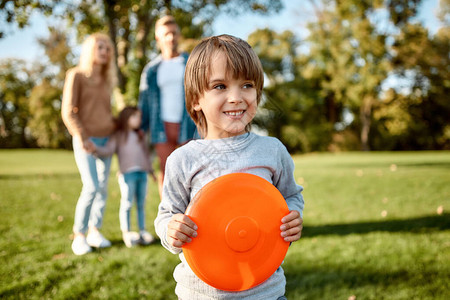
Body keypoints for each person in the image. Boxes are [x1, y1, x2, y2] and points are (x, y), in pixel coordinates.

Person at [154, 34, 305, 299]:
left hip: (265, 292)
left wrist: (292, 216)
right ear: (195, 101)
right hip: (200, 293)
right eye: (220, 86)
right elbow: (167, 214)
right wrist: (171, 230)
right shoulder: (183, 159)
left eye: (246, 85)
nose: (236, 97)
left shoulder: (271, 151)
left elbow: (291, 194)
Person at [62, 33, 117, 255]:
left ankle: (95, 230)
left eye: (107, 49)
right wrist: (83, 137)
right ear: (90, 50)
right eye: (100, 47)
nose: (105, 52)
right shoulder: (76, 76)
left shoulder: (107, 81)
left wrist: (114, 134)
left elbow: (106, 113)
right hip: (86, 140)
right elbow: (68, 111)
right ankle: (80, 235)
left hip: (106, 141)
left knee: (103, 189)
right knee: (91, 186)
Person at [138, 15, 197, 197]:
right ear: (158, 38)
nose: (170, 38)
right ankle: (168, 220)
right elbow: (144, 100)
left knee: (191, 172)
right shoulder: (151, 69)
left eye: (173, 33)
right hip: (161, 126)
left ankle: (193, 215)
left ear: (178, 36)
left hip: (188, 124)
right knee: (166, 172)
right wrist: (141, 128)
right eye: (166, 34)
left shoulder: (191, 63)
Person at [93, 106, 156, 248]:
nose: (139, 120)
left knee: (141, 204)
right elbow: (108, 149)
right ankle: (126, 232)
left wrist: (151, 171)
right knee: (127, 203)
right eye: (135, 117)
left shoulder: (140, 135)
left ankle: (142, 231)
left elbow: (145, 155)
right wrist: (95, 149)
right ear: (126, 118)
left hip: (142, 173)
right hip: (127, 174)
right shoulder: (118, 136)